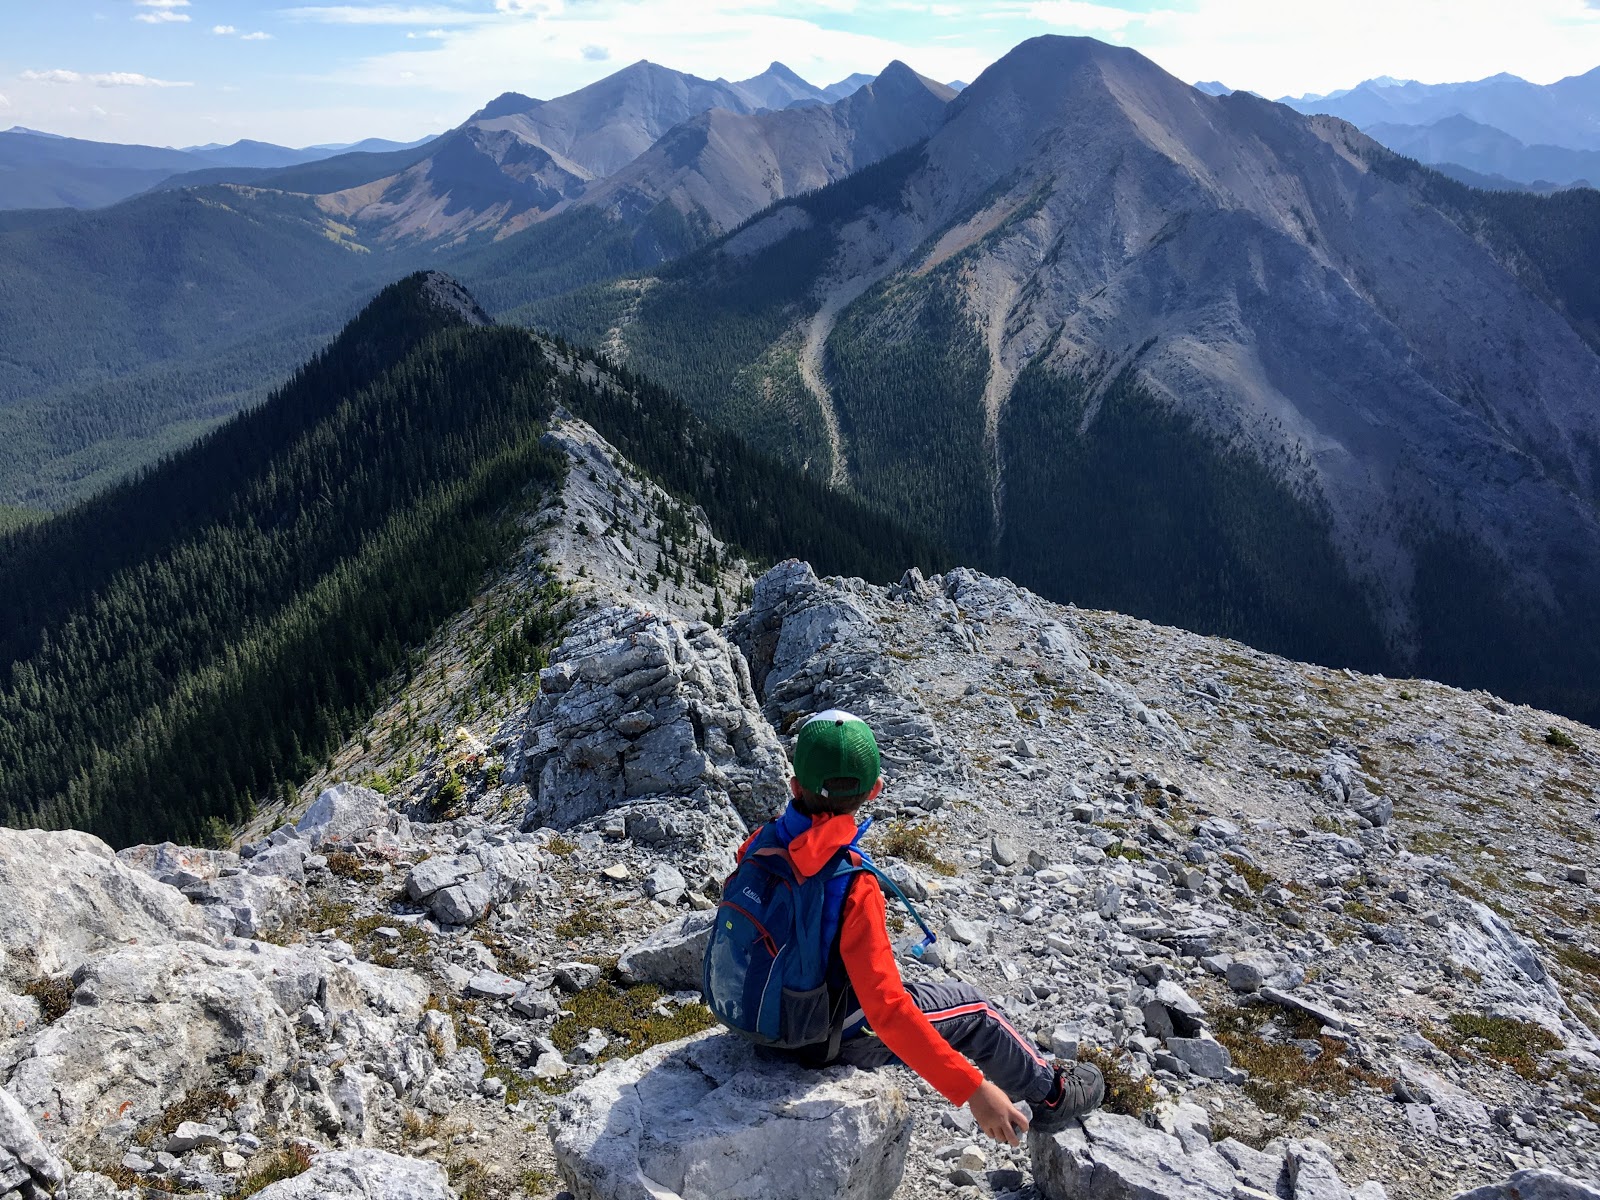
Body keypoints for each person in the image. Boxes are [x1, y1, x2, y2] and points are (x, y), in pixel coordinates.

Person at [721, 709, 1104, 1146]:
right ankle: (1052, 1095)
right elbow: (886, 1011)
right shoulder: (851, 884)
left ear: (794, 786)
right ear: (875, 791)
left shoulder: (760, 842)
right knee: (976, 1011)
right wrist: (973, 1089)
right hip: (826, 1039)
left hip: (759, 1020)